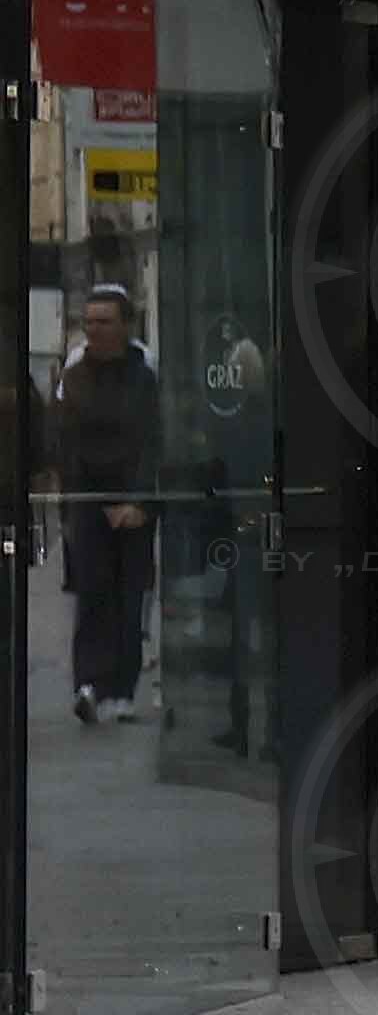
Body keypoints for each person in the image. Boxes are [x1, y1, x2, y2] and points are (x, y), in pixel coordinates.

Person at [54, 285, 161, 726]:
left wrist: (139, 502)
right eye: (89, 322)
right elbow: (66, 442)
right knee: (92, 591)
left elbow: (153, 442)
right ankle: (89, 684)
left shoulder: (145, 376)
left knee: (129, 595)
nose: (94, 330)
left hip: (133, 498)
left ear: (125, 325)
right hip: (88, 498)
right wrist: (75, 503)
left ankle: (121, 689)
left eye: (104, 322)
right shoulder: (75, 374)